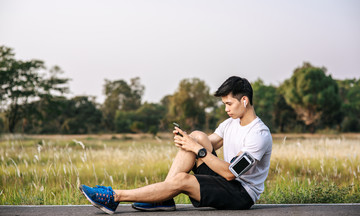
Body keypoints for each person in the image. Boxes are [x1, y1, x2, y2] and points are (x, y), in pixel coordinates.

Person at [79, 76, 272, 214]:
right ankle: (163, 198)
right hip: (226, 180)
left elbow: (231, 172)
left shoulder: (258, 134)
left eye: (229, 104)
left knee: (182, 179)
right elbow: (208, 142)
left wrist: (198, 149)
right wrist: (188, 141)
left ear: (244, 100)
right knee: (197, 136)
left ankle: (114, 197)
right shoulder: (231, 123)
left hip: (241, 193)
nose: (226, 109)